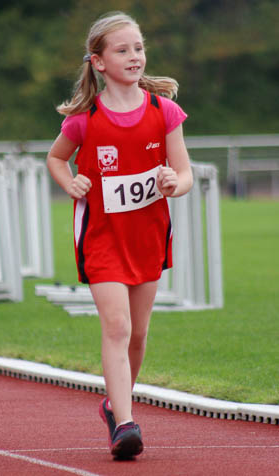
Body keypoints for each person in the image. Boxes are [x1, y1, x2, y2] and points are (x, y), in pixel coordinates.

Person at [47, 11, 193, 460]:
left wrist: (174, 184)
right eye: (123, 50)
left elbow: (185, 174)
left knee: (138, 334)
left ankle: (115, 403)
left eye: (139, 48)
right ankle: (126, 425)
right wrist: (70, 182)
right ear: (99, 61)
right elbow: (56, 158)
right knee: (117, 325)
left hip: (148, 233)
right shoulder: (84, 119)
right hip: (103, 236)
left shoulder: (163, 111)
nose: (134, 56)